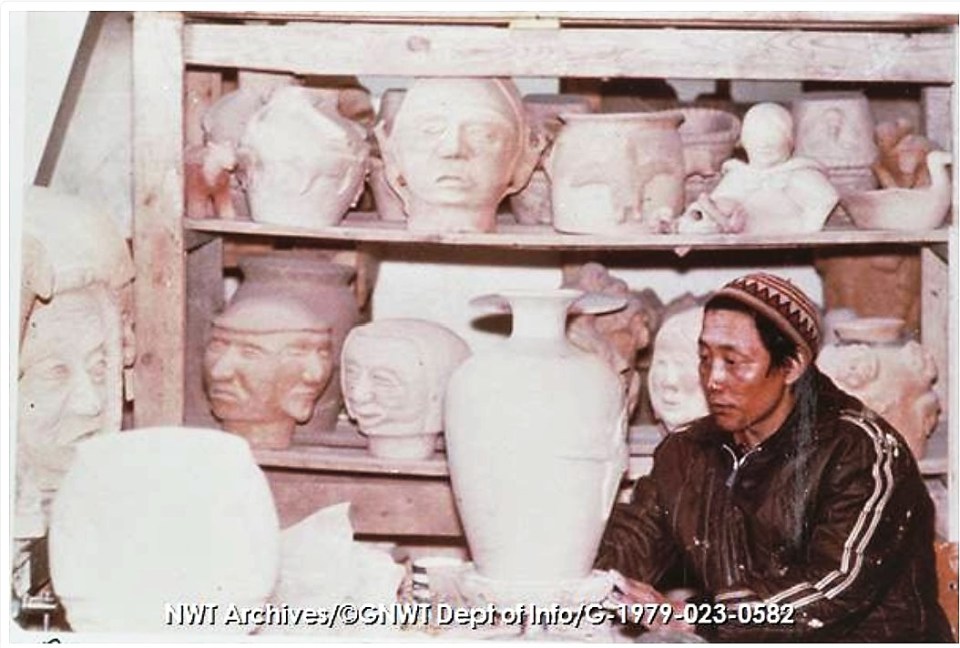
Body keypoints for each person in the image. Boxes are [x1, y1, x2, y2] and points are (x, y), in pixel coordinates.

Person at [596, 272, 951, 641]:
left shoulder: (861, 452)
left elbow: (831, 588)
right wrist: (588, 576)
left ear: (792, 365)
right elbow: (635, 538)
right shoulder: (688, 451)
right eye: (705, 358)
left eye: (734, 362)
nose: (713, 378)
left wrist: (699, 617)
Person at [677, 103, 838, 234]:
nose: (765, 146)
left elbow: (826, 198)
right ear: (745, 142)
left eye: (773, 139)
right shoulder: (739, 175)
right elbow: (717, 205)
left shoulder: (799, 174)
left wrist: (805, 227)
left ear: (789, 142)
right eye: (757, 139)